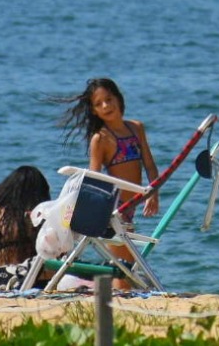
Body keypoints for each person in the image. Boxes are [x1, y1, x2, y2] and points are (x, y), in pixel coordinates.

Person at [54, 78, 159, 279]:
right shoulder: (100, 139)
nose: (106, 106)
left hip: (133, 204)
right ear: (94, 111)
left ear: (118, 99)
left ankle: (119, 297)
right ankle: (118, 301)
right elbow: (93, 179)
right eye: (99, 104)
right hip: (115, 209)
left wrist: (153, 193)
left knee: (129, 264)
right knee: (123, 266)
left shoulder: (136, 128)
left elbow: (150, 165)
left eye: (109, 99)